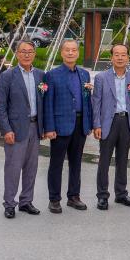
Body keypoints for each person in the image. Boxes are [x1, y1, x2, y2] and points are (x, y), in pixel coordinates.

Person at [42, 40, 92, 214]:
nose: (70, 53)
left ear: (78, 53)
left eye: (74, 50)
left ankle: (74, 196)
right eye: (67, 50)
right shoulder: (52, 75)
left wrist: (89, 123)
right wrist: (49, 127)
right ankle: (54, 199)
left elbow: (87, 101)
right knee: (56, 163)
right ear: (61, 53)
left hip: (80, 125)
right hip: (60, 125)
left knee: (76, 163)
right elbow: (47, 103)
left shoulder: (85, 74)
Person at [0, 39, 44, 218]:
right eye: (23, 51)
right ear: (17, 53)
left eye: (30, 51)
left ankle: (26, 201)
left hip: (35, 127)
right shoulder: (7, 76)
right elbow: (1, 106)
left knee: (31, 167)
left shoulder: (41, 75)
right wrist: (6, 129)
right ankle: (9, 203)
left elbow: (43, 103)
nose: (26, 54)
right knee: (13, 167)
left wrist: (45, 127)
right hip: (15, 129)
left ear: (34, 54)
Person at [91, 43, 130, 210]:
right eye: (116, 55)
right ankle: (102, 195)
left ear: (128, 57)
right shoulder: (101, 78)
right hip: (108, 123)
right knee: (104, 159)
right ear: (111, 57)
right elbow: (96, 103)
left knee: (123, 159)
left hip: (126, 121)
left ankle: (121, 194)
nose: (120, 58)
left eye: (123, 55)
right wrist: (96, 124)